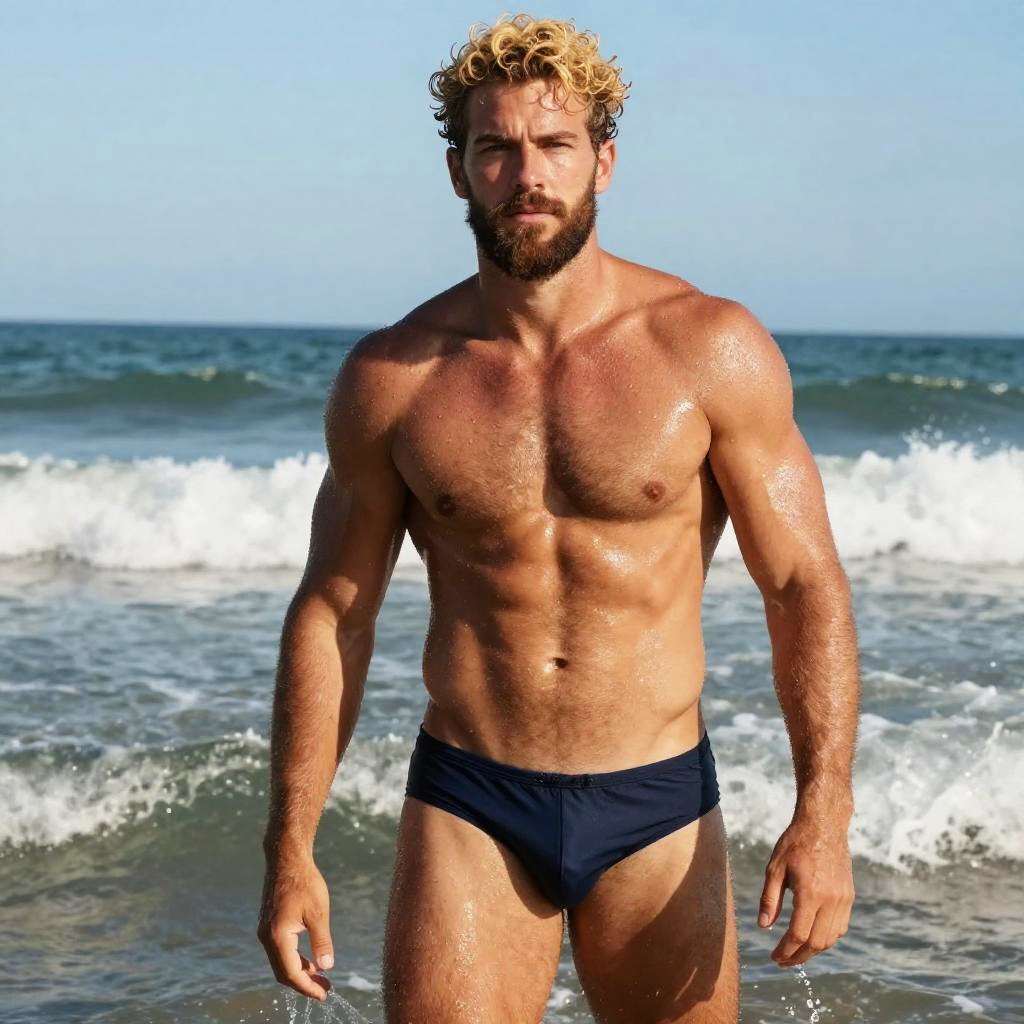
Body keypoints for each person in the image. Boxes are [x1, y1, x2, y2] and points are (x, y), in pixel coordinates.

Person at [257, 14, 859, 1024]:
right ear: (458, 171)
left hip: (657, 799)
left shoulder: (710, 347)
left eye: (554, 146)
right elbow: (332, 614)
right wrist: (288, 852)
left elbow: (802, 585)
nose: (526, 175)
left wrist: (825, 813)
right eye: (495, 149)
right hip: (471, 801)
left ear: (603, 162)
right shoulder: (393, 378)